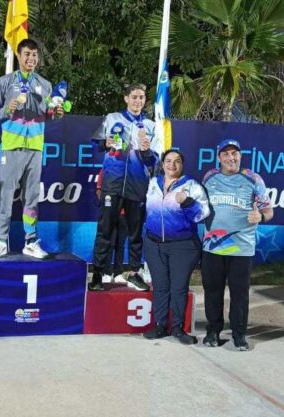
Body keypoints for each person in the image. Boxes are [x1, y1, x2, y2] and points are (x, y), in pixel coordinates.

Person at [0, 38, 63, 259]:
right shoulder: (5, 82)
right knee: (6, 195)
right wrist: (7, 111)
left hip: (36, 147)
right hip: (11, 145)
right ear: (19, 56)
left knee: (31, 197)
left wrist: (55, 114)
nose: (31, 58)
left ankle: (30, 241)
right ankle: (1, 241)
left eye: (34, 55)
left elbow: (49, 114)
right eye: (27, 54)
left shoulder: (45, 85)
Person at [201, 139, 274, 351]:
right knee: (212, 291)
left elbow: (269, 212)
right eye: (226, 154)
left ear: (240, 156)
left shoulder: (253, 179)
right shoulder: (209, 177)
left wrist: (259, 215)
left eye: (235, 154)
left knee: (239, 294)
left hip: (241, 249)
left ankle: (239, 334)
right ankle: (213, 331)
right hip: (212, 247)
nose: (231, 158)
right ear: (219, 157)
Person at [88, 84, 158, 292]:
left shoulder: (150, 125)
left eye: (142, 97)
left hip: (137, 186)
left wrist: (146, 152)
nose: (138, 101)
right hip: (113, 183)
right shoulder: (112, 118)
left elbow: (153, 160)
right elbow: (96, 143)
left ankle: (135, 273)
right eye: (134, 97)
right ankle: (98, 274)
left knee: (135, 233)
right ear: (126, 98)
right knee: (105, 230)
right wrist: (106, 143)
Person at [142, 150, 210, 344]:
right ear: (163, 164)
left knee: (178, 287)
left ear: (182, 165)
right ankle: (160, 325)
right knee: (161, 287)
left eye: (177, 161)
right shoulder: (153, 183)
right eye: (169, 161)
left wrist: (187, 202)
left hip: (183, 246)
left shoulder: (191, 186)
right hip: (154, 243)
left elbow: (202, 214)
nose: (172, 165)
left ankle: (178, 328)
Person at [96, 168, 128, 284]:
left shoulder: (131, 171)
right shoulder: (105, 170)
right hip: (109, 214)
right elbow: (99, 190)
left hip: (125, 215)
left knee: (120, 245)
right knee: (109, 243)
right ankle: (107, 272)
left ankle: (118, 273)